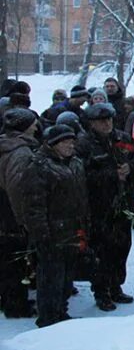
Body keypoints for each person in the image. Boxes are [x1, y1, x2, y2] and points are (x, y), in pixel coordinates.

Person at [76, 103, 134, 311]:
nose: (106, 124)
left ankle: (116, 286)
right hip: (99, 207)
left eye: (109, 119)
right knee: (101, 251)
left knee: (121, 248)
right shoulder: (84, 144)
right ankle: (101, 291)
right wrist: (110, 175)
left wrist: (130, 168)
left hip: (123, 205)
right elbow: (80, 176)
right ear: (92, 123)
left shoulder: (123, 139)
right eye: (101, 121)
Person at [23, 125, 90, 328]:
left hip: (73, 230)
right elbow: (34, 206)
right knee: (51, 277)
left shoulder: (76, 163)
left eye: (72, 141)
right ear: (53, 144)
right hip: (52, 232)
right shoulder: (39, 166)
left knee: (67, 276)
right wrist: (42, 234)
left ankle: (61, 311)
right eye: (66, 142)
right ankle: (48, 317)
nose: (71, 145)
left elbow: (83, 198)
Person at [0, 109, 41, 318]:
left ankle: (7, 298)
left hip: (4, 211)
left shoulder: (5, 144)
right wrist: (23, 220)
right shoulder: (21, 152)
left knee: (6, 259)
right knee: (15, 261)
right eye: (33, 123)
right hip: (11, 214)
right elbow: (16, 187)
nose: (36, 127)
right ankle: (16, 305)